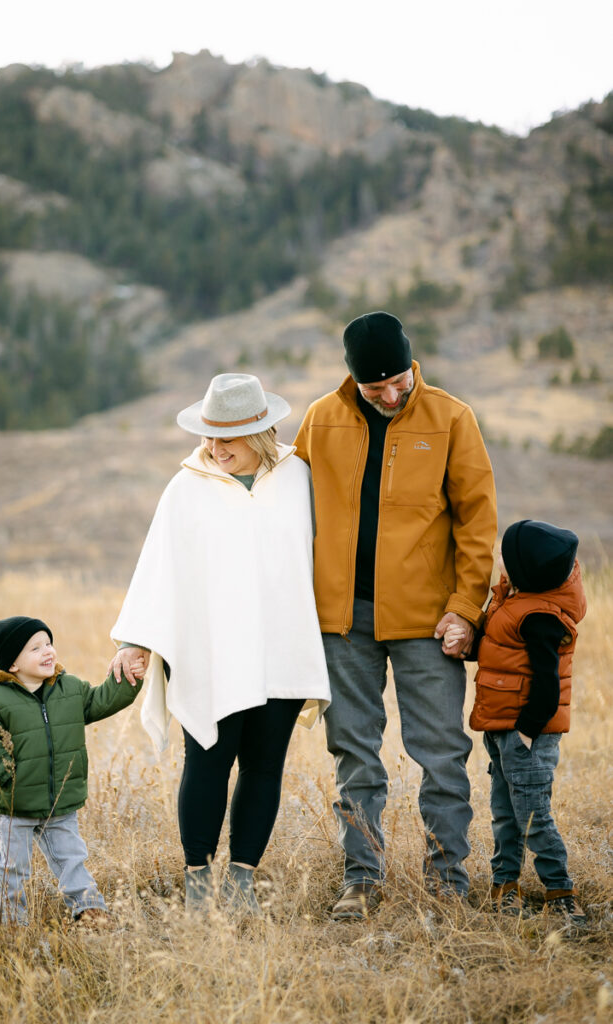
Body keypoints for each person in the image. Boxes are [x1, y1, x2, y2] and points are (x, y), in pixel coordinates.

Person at [294, 310, 497, 919]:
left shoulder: (452, 418)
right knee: (353, 752)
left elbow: (478, 521)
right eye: (374, 386)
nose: (390, 394)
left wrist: (466, 608)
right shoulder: (318, 420)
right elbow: (286, 509)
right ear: (352, 378)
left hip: (427, 624)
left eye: (399, 382)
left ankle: (448, 881)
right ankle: (361, 878)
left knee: (440, 753)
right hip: (342, 623)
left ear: (413, 365)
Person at [109, 373, 331, 915]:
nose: (213, 448)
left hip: (281, 645)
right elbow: (158, 565)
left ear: (259, 432)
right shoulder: (187, 487)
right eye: (209, 435)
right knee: (207, 760)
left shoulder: (298, 477)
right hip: (213, 649)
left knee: (264, 765)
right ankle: (197, 881)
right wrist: (136, 640)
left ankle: (241, 881)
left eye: (227, 438)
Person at [445, 520, 587, 926]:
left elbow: (546, 682)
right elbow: (502, 653)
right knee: (505, 812)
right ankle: (504, 884)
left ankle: (560, 890)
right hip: (502, 727)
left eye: (509, 556)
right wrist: (467, 647)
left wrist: (525, 731)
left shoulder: (541, 616)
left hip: (526, 733)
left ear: (529, 569)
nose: (502, 562)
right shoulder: (516, 600)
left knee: (533, 816)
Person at [0, 616, 142, 926]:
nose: (47, 651)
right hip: (14, 805)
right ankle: (9, 924)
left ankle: (90, 913)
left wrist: (127, 679)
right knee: (12, 868)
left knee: (72, 859)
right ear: (13, 664)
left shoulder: (69, 689)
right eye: (35, 648)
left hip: (60, 800)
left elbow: (102, 701)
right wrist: (4, 775)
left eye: (48, 643)